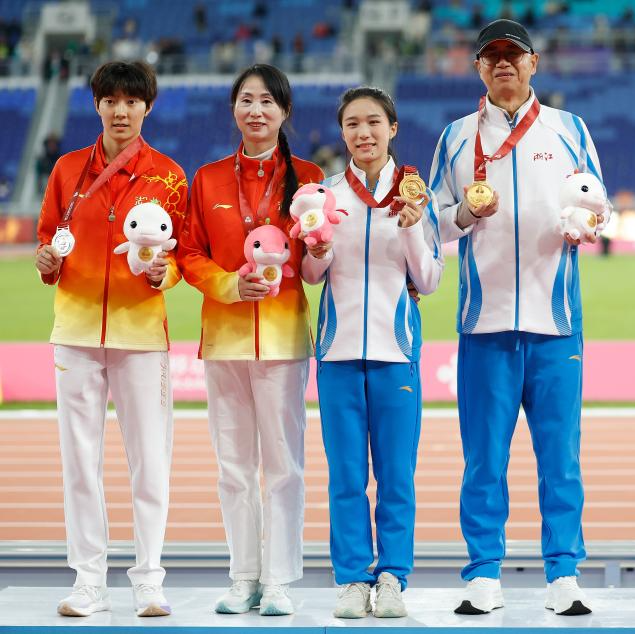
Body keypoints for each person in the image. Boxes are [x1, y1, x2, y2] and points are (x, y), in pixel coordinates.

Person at [429, 18, 604, 616]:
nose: (503, 62)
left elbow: (597, 201)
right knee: (484, 460)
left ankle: (564, 574)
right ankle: (483, 573)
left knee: (561, 459)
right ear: (478, 67)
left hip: (556, 322)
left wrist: (586, 222)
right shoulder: (456, 136)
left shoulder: (570, 128)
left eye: (514, 53)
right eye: (491, 55)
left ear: (534, 63)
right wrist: (464, 216)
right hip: (485, 323)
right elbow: (432, 221)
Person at [35, 60, 187, 618]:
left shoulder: (170, 176)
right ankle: (88, 581)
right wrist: (47, 261)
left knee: (150, 460)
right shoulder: (67, 169)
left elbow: (183, 254)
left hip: (141, 333)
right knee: (79, 460)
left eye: (131, 101)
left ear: (148, 107)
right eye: (110, 100)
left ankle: (148, 578)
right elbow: (48, 239)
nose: (121, 111)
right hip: (76, 331)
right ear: (96, 105)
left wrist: (165, 274)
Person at [177, 64, 324, 617]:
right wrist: (228, 285)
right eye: (246, 100)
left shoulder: (308, 176)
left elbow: (314, 255)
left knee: (284, 464)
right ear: (233, 109)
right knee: (234, 466)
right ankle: (244, 577)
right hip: (225, 337)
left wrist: (319, 251)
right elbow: (188, 253)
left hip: (283, 339)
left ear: (284, 111)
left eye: (267, 101)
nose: (256, 110)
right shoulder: (208, 178)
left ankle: (279, 578)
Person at [300, 86, 443, 619]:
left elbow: (429, 280)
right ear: (342, 133)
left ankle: (392, 577)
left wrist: (411, 229)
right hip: (337, 353)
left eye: (374, 122)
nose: (364, 133)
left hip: (395, 351)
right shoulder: (323, 195)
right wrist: (319, 251)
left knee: (396, 476)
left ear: (392, 128)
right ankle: (353, 578)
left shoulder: (415, 195)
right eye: (353, 124)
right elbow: (310, 274)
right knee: (346, 477)